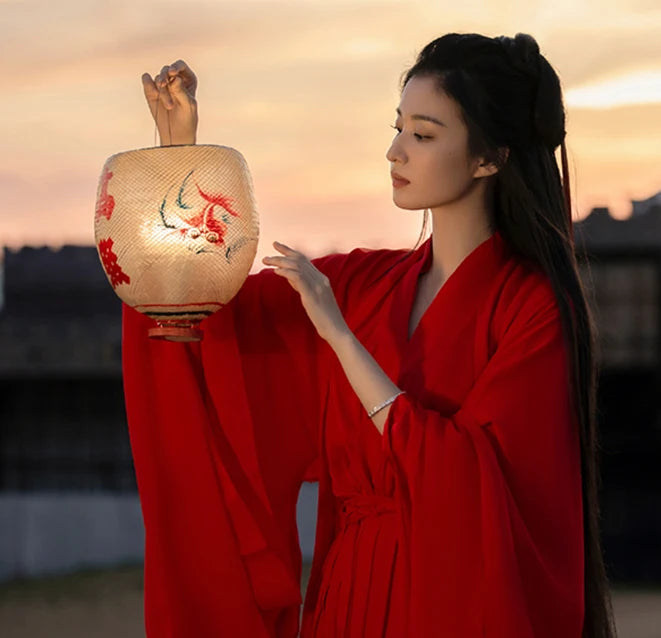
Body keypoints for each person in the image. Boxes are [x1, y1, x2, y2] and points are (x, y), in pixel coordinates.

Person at [125, 32, 616, 637]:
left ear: (492, 157)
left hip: (447, 605)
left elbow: (476, 489)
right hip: (346, 596)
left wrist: (339, 337)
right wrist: (181, 158)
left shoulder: (530, 308)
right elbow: (198, 318)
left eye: (424, 134)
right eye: (399, 126)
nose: (395, 152)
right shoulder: (362, 284)